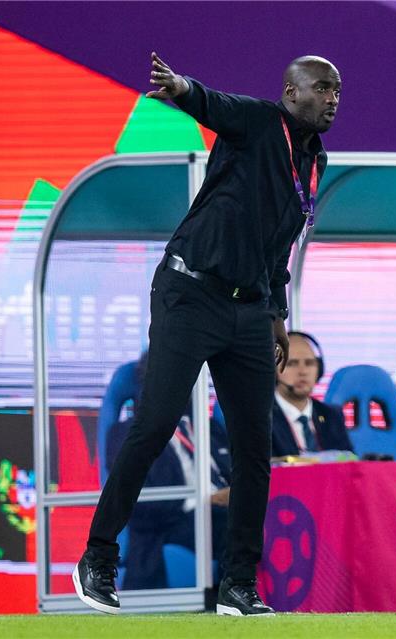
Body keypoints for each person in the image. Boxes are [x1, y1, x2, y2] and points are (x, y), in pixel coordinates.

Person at [73, 51, 341, 616]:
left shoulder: (317, 160)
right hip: (190, 293)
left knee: (254, 450)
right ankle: (97, 556)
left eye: (337, 91)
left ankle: (238, 585)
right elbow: (215, 105)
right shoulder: (261, 122)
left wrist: (276, 314)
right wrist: (182, 87)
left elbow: (277, 245)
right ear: (292, 93)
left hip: (250, 311)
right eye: (322, 88)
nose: (332, 98)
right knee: (153, 424)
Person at [105, 356, 231, 590]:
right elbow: (134, 501)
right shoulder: (128, 434)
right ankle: (232, 599)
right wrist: (205, 500)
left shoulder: (209, 429)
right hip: (169, 526)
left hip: (222, 509)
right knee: (237, 527)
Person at [271, 331, 353, 457]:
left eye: (309, 363)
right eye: (291, 364)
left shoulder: (332, 415)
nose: (302, 371)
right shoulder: (260, 418)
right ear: (273, 369)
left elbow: (348, 465)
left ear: (319, 370)